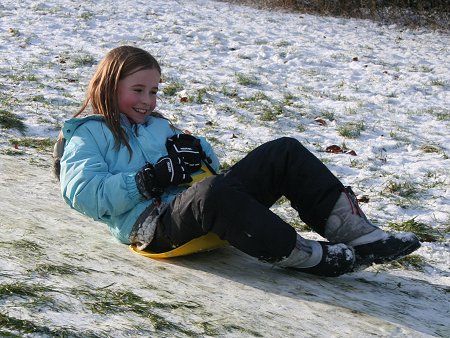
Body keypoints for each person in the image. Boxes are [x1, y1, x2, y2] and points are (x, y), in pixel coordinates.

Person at [56, 45, 421, 277]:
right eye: (138, 90)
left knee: (284, 151)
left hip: (202, 209)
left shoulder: (158, 126)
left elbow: (212, 171)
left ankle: (359, 235)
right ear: (108, 85)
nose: (148, 100)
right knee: (212, 192)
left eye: (153, 91)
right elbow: (84, 195)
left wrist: (196, 148)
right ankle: (307, 256)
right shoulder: (90, 134)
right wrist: (148, 179)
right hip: (153, 229)